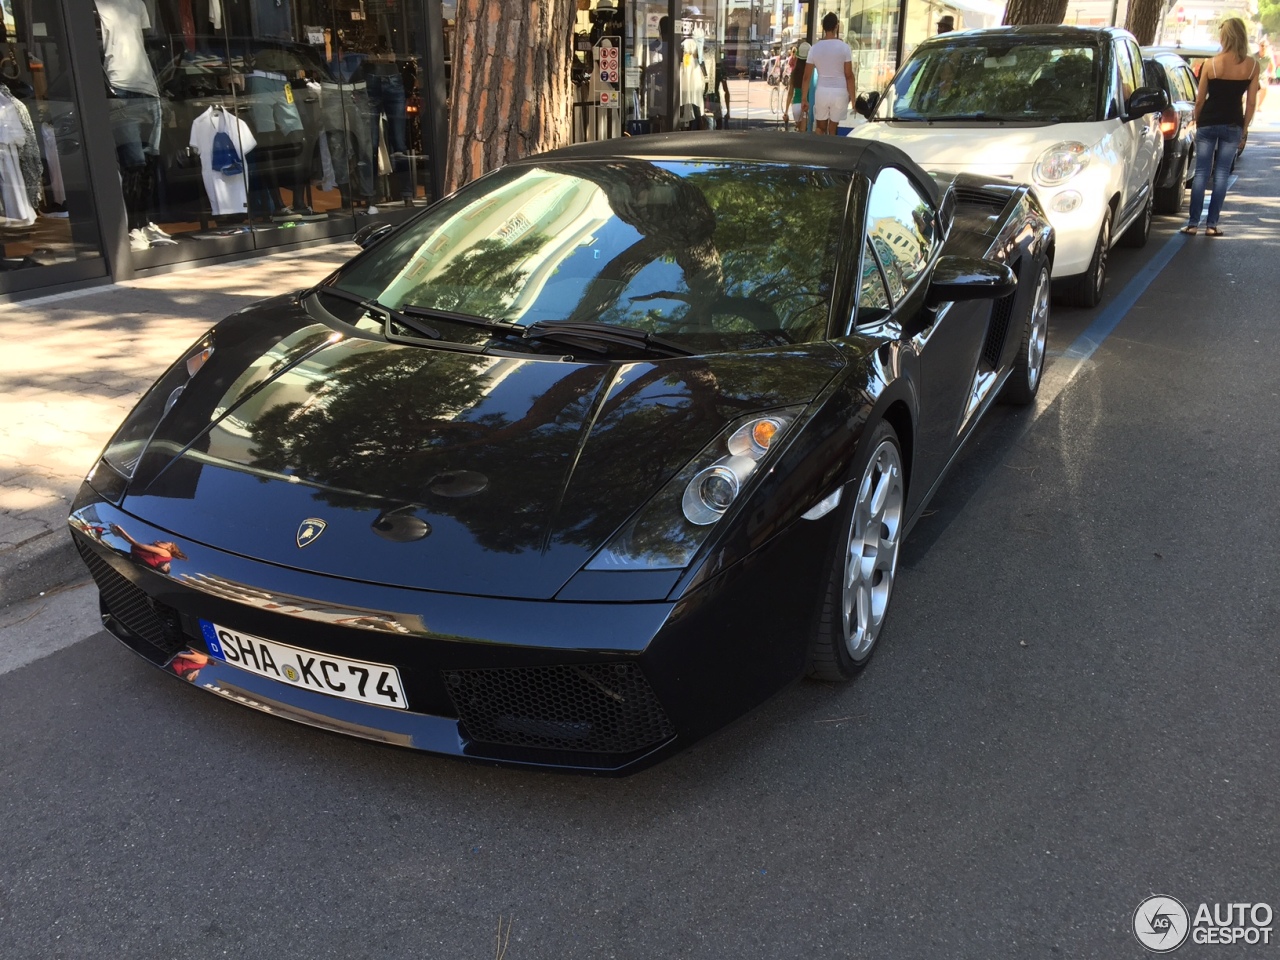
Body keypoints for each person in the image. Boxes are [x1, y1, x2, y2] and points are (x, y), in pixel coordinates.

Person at [1181, 17, 1259, 236]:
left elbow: (1200, 99)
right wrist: (1244, 129)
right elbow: (1251, 102)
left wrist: (1198, 119)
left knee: (1201, 172)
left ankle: (1193, 223)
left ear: (1225, 37)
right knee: (1222, 173)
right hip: (1233, 122)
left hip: (1208, 122)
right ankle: (1212, 225)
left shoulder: (1211, 64)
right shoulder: (1252, 66)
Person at [801, 13, 857, 135]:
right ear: (836, 27)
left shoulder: (814, 49)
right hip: (840, 91)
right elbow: (849, 76)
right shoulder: (844, 48)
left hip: (822, 91)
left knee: (820, 127)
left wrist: (804, 98)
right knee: (833, 129)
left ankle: (820, 150)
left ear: (823, 27)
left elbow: (806, 77)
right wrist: (853, 99)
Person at [787, 42, 813, 132]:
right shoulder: (812, 72)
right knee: (805, 133)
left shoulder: (794, 73)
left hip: (796, 105)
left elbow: (790, 93)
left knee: (800, 132)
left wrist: (786, 111)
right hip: (807, 104)